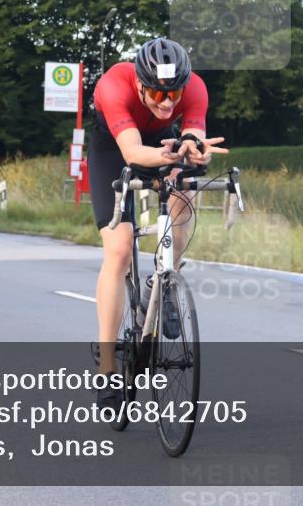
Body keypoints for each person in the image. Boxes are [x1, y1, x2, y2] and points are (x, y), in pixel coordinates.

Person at [88, 38, 227, 410]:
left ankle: (164, 279)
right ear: (138, 84)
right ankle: (106, 370)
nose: (167, 102)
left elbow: (193, 131)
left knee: (185, 196)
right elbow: (132, 152)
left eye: (173, 93)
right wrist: (170, 153)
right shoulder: (114, 86)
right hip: (115, 147)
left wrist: (194, 148)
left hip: (164, 143)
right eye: (155, 92)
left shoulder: (195, 87)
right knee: (119, 248)